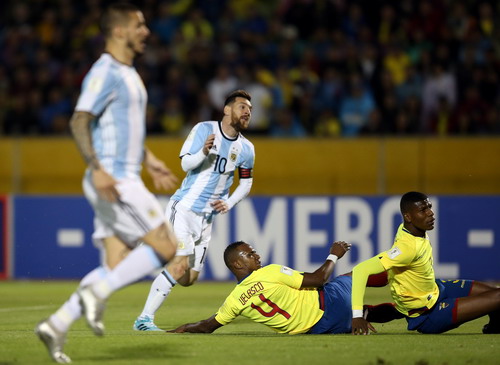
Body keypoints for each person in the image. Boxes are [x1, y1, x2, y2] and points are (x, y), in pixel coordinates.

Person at [35, 3, 179, 363]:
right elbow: (79, 120)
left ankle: (57, 323)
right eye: (139, 25)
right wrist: (97, 168)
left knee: (117, 263)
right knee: (167, 246)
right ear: (118, 31)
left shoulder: (129, 72)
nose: (146, 31)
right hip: (115, 179)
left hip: (123, 174)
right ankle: (93, 295)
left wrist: (151, 159)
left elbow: (121, 128)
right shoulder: (105, 71)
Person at [133, 89, 255, 331]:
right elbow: (185, 163)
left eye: (250, 110)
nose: (247, 112)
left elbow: (247, 182)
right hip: (186, 208)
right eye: (242, 107)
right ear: (227, 109)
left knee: (189, 278)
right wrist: (202, 152)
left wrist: (229, 202)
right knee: (179, 266)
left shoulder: (247, 148)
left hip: (206, 219)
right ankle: (144, 320)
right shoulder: (204, 130)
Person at [169, 240, 401, 335]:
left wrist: (178, 330)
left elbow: (207, 326)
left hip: (319, 329)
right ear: (238, 263)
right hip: (328, 303)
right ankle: (404, 288)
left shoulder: (234, 300)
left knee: (366, 312)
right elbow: (320, 278)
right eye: (250, 254)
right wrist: (334, 254)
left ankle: (366, 314)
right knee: (358, 274)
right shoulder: (269, 272)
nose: (256, 255)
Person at [351, 191, 500, 335]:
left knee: (494, 290)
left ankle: (495, 327)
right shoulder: (407, 248)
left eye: (429, 207)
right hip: (428, 315)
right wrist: (357, 315)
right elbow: (360, 270)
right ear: (408, 216)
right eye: (423, 210)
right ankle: (366, 313)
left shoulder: (410, 229)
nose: (430, 213)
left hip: (436, 289)